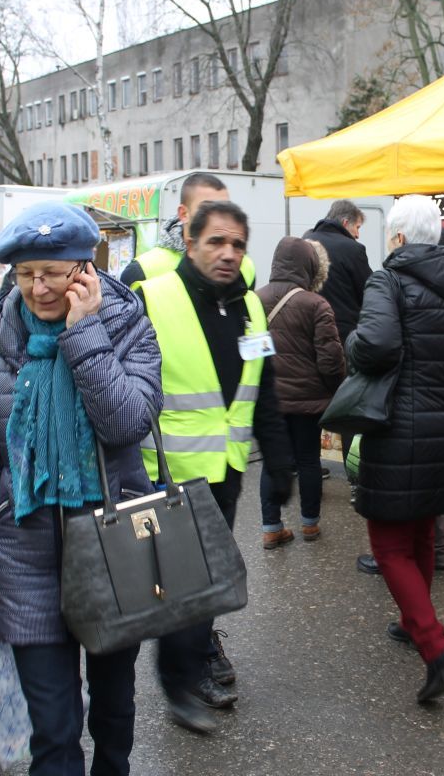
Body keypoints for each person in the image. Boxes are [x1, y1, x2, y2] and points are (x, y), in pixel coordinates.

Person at [0, 201, 162, 775]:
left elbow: (126, 423)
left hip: (113, 549)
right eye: (25, 274)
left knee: (114, 711)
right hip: (23, 558)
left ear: (85, 269)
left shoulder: (129, 328)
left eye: (52, 272)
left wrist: (84, 333)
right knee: (52, 728)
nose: (39, 288)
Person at [135, 199, 294, 732]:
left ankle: (191, 671)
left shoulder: (250, 308)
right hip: (167, 474)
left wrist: (280, 461)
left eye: (238, 245)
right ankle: (180, 685)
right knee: (185, 585)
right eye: (216, 242)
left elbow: (262, 390)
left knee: (202, 583)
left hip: (226, 471)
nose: (228, 253)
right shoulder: (151, 298)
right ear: (190, 242)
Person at [349, 194, 444, 703]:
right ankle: (415, 622)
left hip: (400, 428)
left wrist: (351, 343)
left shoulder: (387, 280)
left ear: (400, 237)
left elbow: (375, 345)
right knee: (423, 532)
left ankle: (435, 645)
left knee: (389, 544)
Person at [255, 236, 346, 548]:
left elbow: (249, 354)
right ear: (309, 266)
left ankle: (271, 527)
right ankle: (309, 524)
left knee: (271, 461)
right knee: (308, 460)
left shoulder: (255, 300)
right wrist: (334, 390)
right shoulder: (316, 304)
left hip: (269, 402)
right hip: (308, 402)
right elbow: (331, 361)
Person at [304, 200, 372, 516]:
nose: (358, 234)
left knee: (312, 406)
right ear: (346, 223)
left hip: (309, 339)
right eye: (357, 227)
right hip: (344, 340)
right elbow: (369, 293)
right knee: (348, 410)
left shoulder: (306, 241)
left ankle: (309, 470)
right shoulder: (353, 250)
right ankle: (356, 482)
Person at [120, 172, 256, 289]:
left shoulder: (246, 267)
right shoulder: (142, 270)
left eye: (226, 209)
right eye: (206, 209)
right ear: (183, 214)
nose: (218, 217)